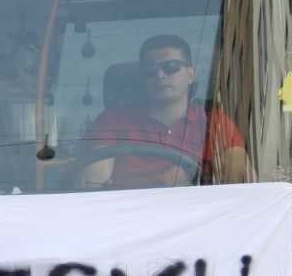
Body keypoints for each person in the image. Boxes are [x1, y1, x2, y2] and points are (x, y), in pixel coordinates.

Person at [82, 34, 249, 189]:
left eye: (171, 67)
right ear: (141, 79)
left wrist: (194, 177)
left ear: (191, 74)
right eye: (150, 70)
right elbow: (94, 177)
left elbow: (239, 176)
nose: (160, 75)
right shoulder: (113, 120)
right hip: (128, 208)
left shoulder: (213, 121)